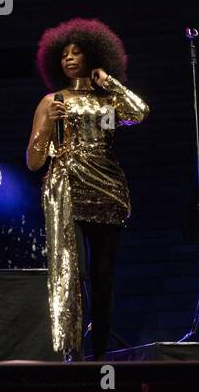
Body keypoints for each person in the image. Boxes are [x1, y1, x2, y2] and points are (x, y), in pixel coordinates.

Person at [25, 18, 149, 361]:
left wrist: (109, 82)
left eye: (76, 51)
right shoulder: (52, 100)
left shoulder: (108, 102)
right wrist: (49, 123)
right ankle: (71, 351)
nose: (68, 57)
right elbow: (34, 161)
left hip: (107, 190)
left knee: (103, 277)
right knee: (72, 270)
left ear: (93, 56)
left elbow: (140, 113)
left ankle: (100, 351)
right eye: (63, 53)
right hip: (67, 188)